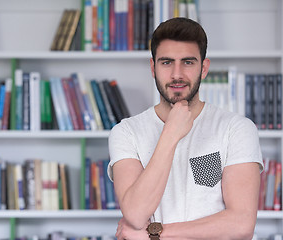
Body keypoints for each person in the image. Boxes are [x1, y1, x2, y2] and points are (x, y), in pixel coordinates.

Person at [108, 17, 263, 240]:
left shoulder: (236, 129)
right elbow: (135, 214)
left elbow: (241, 224)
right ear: (153, 67)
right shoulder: (126, 132)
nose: (177, 74)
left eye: (188, 62)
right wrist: (170, 133)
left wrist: (155, 234)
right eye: (166, 62)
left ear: (204, 68)